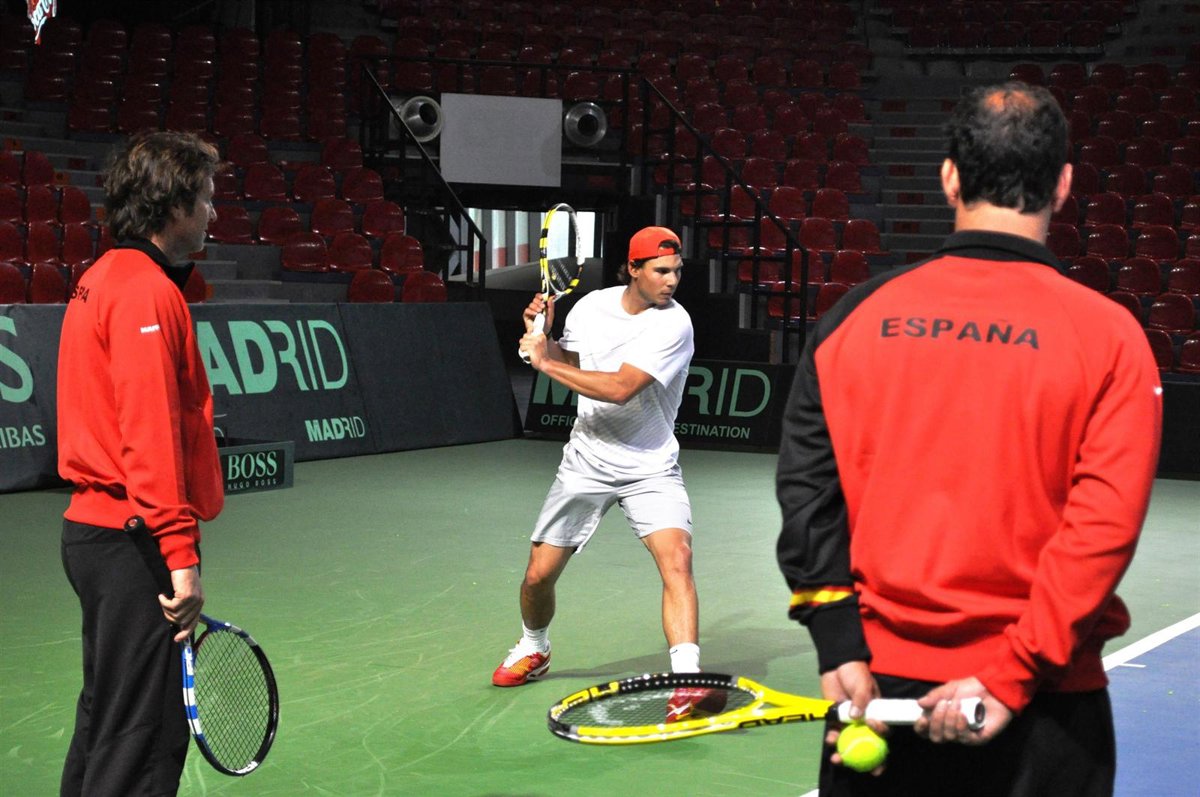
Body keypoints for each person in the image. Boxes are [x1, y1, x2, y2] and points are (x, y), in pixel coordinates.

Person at [775, 83, 1162, 796]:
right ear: (1064, 184)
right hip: (1047, 704)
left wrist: (837, 640)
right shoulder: (1112, 337)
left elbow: (807, 494)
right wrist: (1011, 673)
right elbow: (1101, 532)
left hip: (876, 694)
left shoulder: (852, 318)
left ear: (949, 177)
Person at [57, 130, 224, 796]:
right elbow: (148, 434)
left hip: (97, 534)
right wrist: (180, 555)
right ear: (173, 204)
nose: (213, 211)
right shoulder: (145, 292)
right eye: (205, 197)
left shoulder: (99, 277)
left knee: (108, 719)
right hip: (135, 542)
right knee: (142, 739)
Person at [494, 226, 714, 715]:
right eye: (661, 271)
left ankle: (687, 678)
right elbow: (575, 361)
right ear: (633, 268)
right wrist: (544, 338)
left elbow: (619, 388)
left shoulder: (674, 324)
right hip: (587, 462)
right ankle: (534, 646)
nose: (672, 281)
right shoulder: (592, 307)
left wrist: (544, 363)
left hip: (650, 466)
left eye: (677, 271)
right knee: (537, 577)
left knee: (677, 558)